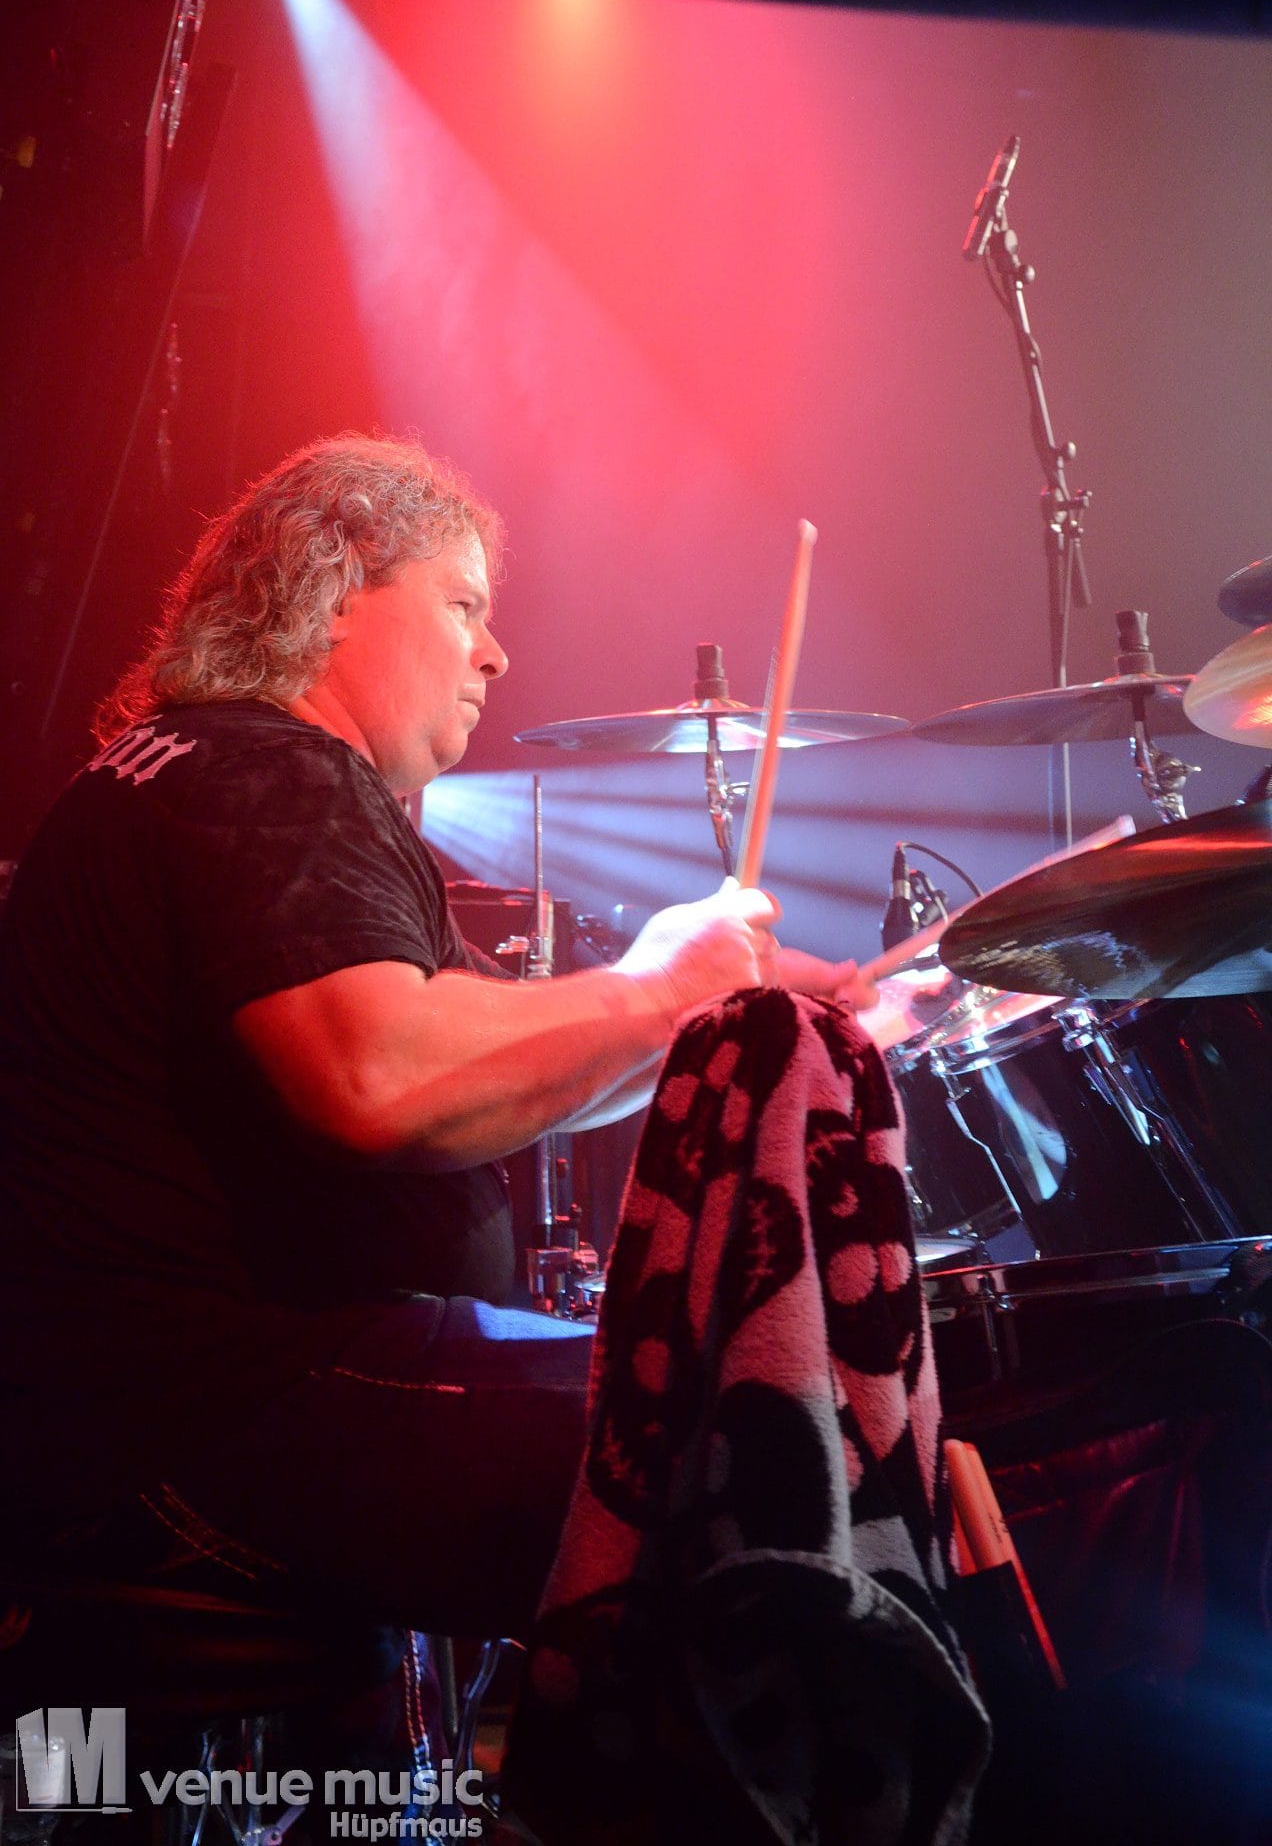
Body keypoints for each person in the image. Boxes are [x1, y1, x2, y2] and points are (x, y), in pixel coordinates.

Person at [0, 433, 875, 1738]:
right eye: (463, 602)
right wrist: (657, 987)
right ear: (333, 588)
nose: (496, 652)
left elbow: (479, 1070)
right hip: (212, 1409)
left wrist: (711, 1011)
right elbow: (382, 1082)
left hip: (124, 1411)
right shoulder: (269, 772)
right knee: (784, 1454)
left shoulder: (182, 771)